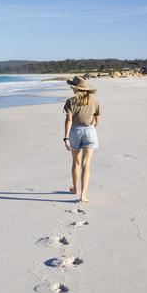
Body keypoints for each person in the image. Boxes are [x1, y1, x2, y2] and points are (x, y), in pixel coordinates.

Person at [63, 75, 100, 203]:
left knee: (76, 162)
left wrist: (66, 138)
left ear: (75, 88)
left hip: (75, 131)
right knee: (86, 164)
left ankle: (74, 189)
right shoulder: (94, 101)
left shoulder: (70, 101)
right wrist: (92, 128)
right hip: (90, 131)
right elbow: (97, 119)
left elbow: (68, 120)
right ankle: (83, 194)